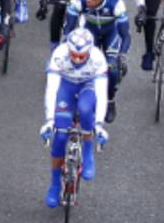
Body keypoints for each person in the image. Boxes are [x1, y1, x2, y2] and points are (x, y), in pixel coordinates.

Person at [41, 27, 109, 207]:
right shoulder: (59, 54)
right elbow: (52, 90)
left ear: (89, 51)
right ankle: (55, 184)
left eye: (82, 56)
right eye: (74, 55)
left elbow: (102, 94)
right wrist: (49, 121)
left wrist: (100, 125)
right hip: (66, 86)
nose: (77, 59)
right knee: (60, 135)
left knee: (86, 109)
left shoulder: (97, 58)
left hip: (87, 86)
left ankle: (88, 150)